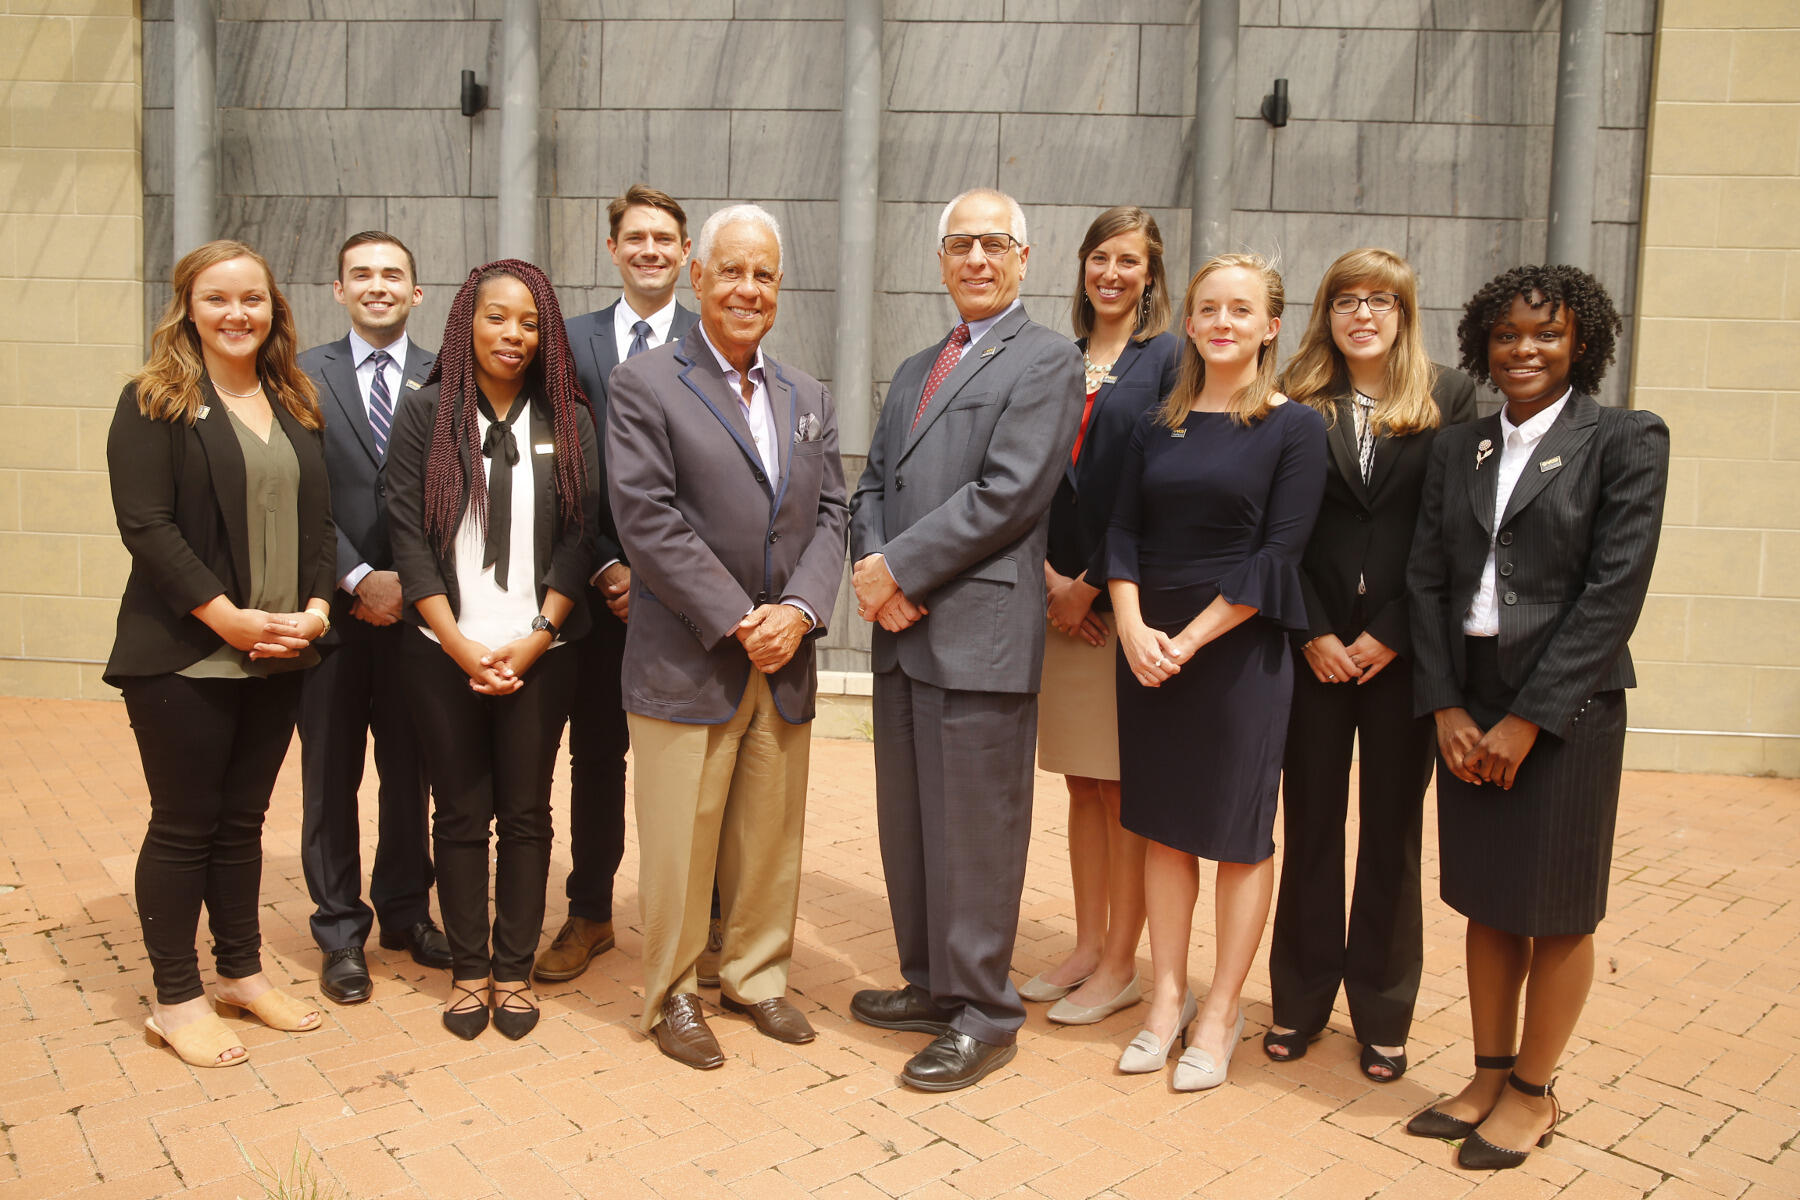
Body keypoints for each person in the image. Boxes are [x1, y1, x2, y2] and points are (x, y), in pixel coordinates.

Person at [1404, 265, 1667, 1170]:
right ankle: (1486, 1074)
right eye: (1509, 335)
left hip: (1567, 714)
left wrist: (1526, 722)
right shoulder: (1459, 447)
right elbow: (1427, 580)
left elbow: (1611, 595)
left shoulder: (1625, 439)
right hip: (1466, 703)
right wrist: (1442, 703)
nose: (1525, 350)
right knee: (1487, 900)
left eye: (1546, 335)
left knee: (1555, 910)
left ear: (1580, 344)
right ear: (1485, 342)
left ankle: (1532, 1092)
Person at [848, 188, 1085, 1092]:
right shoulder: (916, 367)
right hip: (904, 631)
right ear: (941, 259)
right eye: (959, 245)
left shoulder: (1047, 359)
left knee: (977, 832)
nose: (977, 259)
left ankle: (985, 1011)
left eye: (994, 244)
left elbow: (1011, 493)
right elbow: (871, 483)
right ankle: (932, 984)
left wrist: (897, 570)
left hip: (979, 631)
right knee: (909, 822)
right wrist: (876, 569)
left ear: (1025, 259)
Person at [607, 204, 848, 1069]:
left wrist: (800, 612)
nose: (749, 289)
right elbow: (647, 518)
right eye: (733, 272)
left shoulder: (806, 393)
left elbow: (832, 512)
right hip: (691, 655)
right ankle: (671, 994)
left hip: (784, 655)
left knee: (768, 837)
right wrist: (741, 617)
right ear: (697, 278)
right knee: (680, 840)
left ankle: (755, 977)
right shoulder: (646, 382)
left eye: (765, 275)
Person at [105, 239, 334, 1067]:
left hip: (278, 651)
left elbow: (319, 521)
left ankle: (239, 971)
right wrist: (224, 617)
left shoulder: (293, 399)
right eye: (218, 299)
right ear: (188, 308)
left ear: (274, 310)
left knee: (242, 822)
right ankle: (175, 997)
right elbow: (148, 528)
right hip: (183, 655)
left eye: (253, 300)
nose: (238, 314)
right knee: (185, 824)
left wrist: (314, 610)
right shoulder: (154, 400)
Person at [1104, 252, 1326, 1091]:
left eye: (1241, 309)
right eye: (1208, 309)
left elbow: (1278, 555)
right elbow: (1121, 534)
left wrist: (1187, 639)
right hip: (1146, 648)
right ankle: (1165, 997)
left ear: (1271, 325)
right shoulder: (1154, 423)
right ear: (1189, 322)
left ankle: (1224, 1007)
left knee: (1236, 834)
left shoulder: (1294, 428)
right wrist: (1130, 625)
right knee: (1160, 824)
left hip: (1237, 651)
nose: (1223, 322)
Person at [1264, 248, 1478, 1080]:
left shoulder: (1450, 396)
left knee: (1391, 833)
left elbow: (1455, 527)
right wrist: (1311, 629)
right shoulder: (1290, 396)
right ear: (1328, 311)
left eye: (1381, 301)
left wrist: (1392, 630)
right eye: (1347, 299)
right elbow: (1278, 525)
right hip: (1312, 647)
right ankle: (1300, 1000)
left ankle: (1384, 1013)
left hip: (1405, 650)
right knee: (1311, 823)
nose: (1363, 314)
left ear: (1404, 312)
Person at [386, 259, 600, 1041]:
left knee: (527, 812)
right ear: (464, 324)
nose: (514, 334)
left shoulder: (568, 419)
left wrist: (537, 637)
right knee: (461, 810)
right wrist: (455, 641)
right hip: (443, 649)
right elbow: (407, 534)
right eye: (497, 318)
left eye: (531, 322)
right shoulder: (427, 414)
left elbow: (582, 535)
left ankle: (514, 972)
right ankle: (468, 973)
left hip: (541, 650)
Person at [540, 185, 705, 987]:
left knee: (695, 762)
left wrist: (672, 574)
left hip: (688, 599)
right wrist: (608, 562)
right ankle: (591, 911)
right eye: (635, 237)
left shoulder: (716, 342)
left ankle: (700, 921)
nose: (649, 250)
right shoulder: (569, 344)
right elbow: (565, 469)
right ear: (614, 249)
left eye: (663, 239)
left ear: (684, 254)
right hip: (600, 593)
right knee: (598, 757)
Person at [1026, 206, 1179, 1028]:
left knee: (1123, 789)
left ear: (1150, 274)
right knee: (1083, 784)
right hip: (1058, 602)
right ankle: (1088, 946)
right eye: (1099, 257)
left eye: (1129, 260)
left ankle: (1125, 962)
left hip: (1121, 602)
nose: (1111, 273)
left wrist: (1089, 582)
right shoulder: (1059, 357)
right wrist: (1050, 579)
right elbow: (1033, 474)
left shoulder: (1170, 362)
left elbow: (1159, 483)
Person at [296, 231, 450, 1007]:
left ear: (417, 294)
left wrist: (412, 586)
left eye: (394, 274)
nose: (378, 285)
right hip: (335, 612)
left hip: (420, 614)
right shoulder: (300, 378)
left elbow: (454, 499)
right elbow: (298, 495)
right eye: (363, 274)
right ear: (338, 289)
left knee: (408, 773)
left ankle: (405, 912)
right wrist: (359, 577)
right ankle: (338, 932)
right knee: (329, 777)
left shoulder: (445, 377)